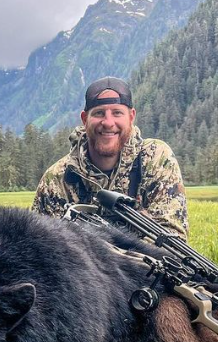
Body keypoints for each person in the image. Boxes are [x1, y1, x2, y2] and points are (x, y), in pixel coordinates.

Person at [32, 76, 188, 238]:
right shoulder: (57, 179)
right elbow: (38, 244)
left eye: (117, 113)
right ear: (85, 119)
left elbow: (172, 236)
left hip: (141, 263)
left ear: (131, 117)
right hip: (75, 263)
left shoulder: (156, 159)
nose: (108, 122)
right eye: (99, 113)